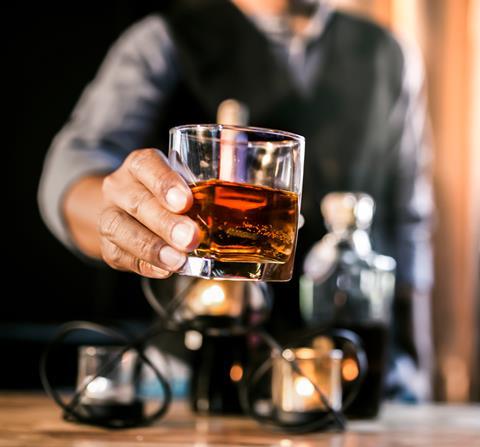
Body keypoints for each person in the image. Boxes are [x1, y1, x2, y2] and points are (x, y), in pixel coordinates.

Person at [38, 0, 435, 401]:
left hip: (344, 378)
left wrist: (415, 370)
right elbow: (70, 174)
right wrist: (120, 219)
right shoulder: (162, 41)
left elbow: (409, 224)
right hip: (187, 381)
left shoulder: (388, 54)